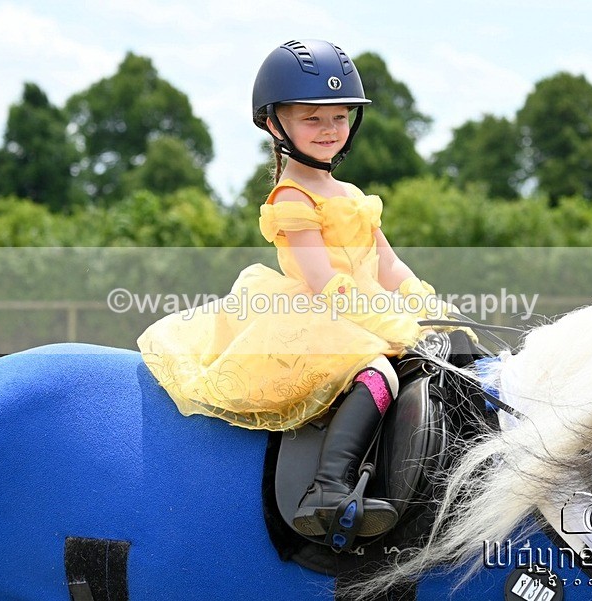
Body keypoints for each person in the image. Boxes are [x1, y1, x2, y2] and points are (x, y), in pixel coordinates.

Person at [138, 39, 464, 541]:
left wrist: (431, 309)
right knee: (374, 369)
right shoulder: (292, 196)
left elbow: (390, 264)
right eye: (312, 119)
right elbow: (325, 283)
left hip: (363, 310)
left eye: (339, 117)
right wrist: (393, 325)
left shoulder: (354, 196)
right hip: (318, 313)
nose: (330, 130)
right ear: (275, 123)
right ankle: (328, 489)